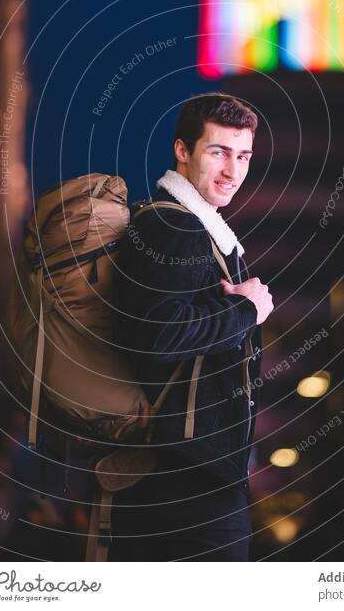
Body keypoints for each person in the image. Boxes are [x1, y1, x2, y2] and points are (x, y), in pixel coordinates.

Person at [110, 92, 273, 561]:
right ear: (183, 151)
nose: (232, 170)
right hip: (183, 479)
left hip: (188, 474)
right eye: (218, 152)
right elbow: (156, 335)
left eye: (242, 156)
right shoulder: (174, 226)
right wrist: (246, 311)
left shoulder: (202, 230)